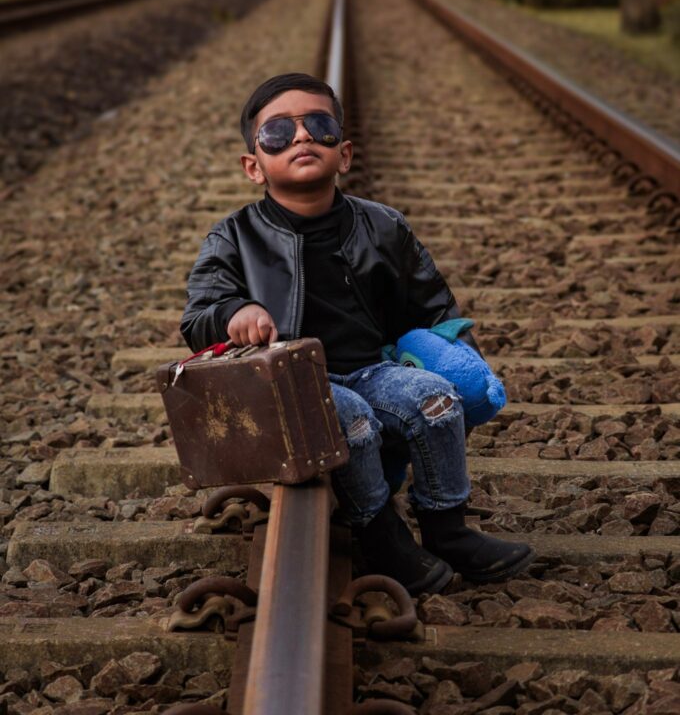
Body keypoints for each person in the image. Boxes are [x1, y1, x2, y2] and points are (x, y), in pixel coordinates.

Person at [181, 72, 533, 595]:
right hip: (290, 380)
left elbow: (433, 305)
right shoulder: (233, 236)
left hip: (371, 368)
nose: (301, 137)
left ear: (343, 154)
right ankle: (378, 530)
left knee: (436, 399)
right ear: (254, 166)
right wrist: (235, 311)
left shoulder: (383, 226)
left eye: (318, 126)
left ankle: (447, 526)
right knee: (353, 420)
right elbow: (198, 316)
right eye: (279, 132)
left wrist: (466, 370)